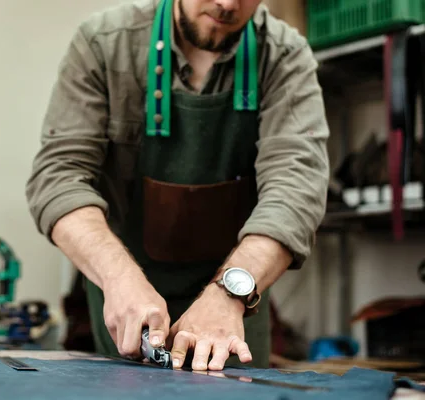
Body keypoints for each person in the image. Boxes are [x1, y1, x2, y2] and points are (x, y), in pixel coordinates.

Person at [26, 0, 329, 371]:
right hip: (124, 298)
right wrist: (119, 277)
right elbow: (58, 177)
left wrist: (229, 294)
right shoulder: (104, 43)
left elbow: (295, 189)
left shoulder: (285, 56)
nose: (227, 4)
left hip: (236, 301)